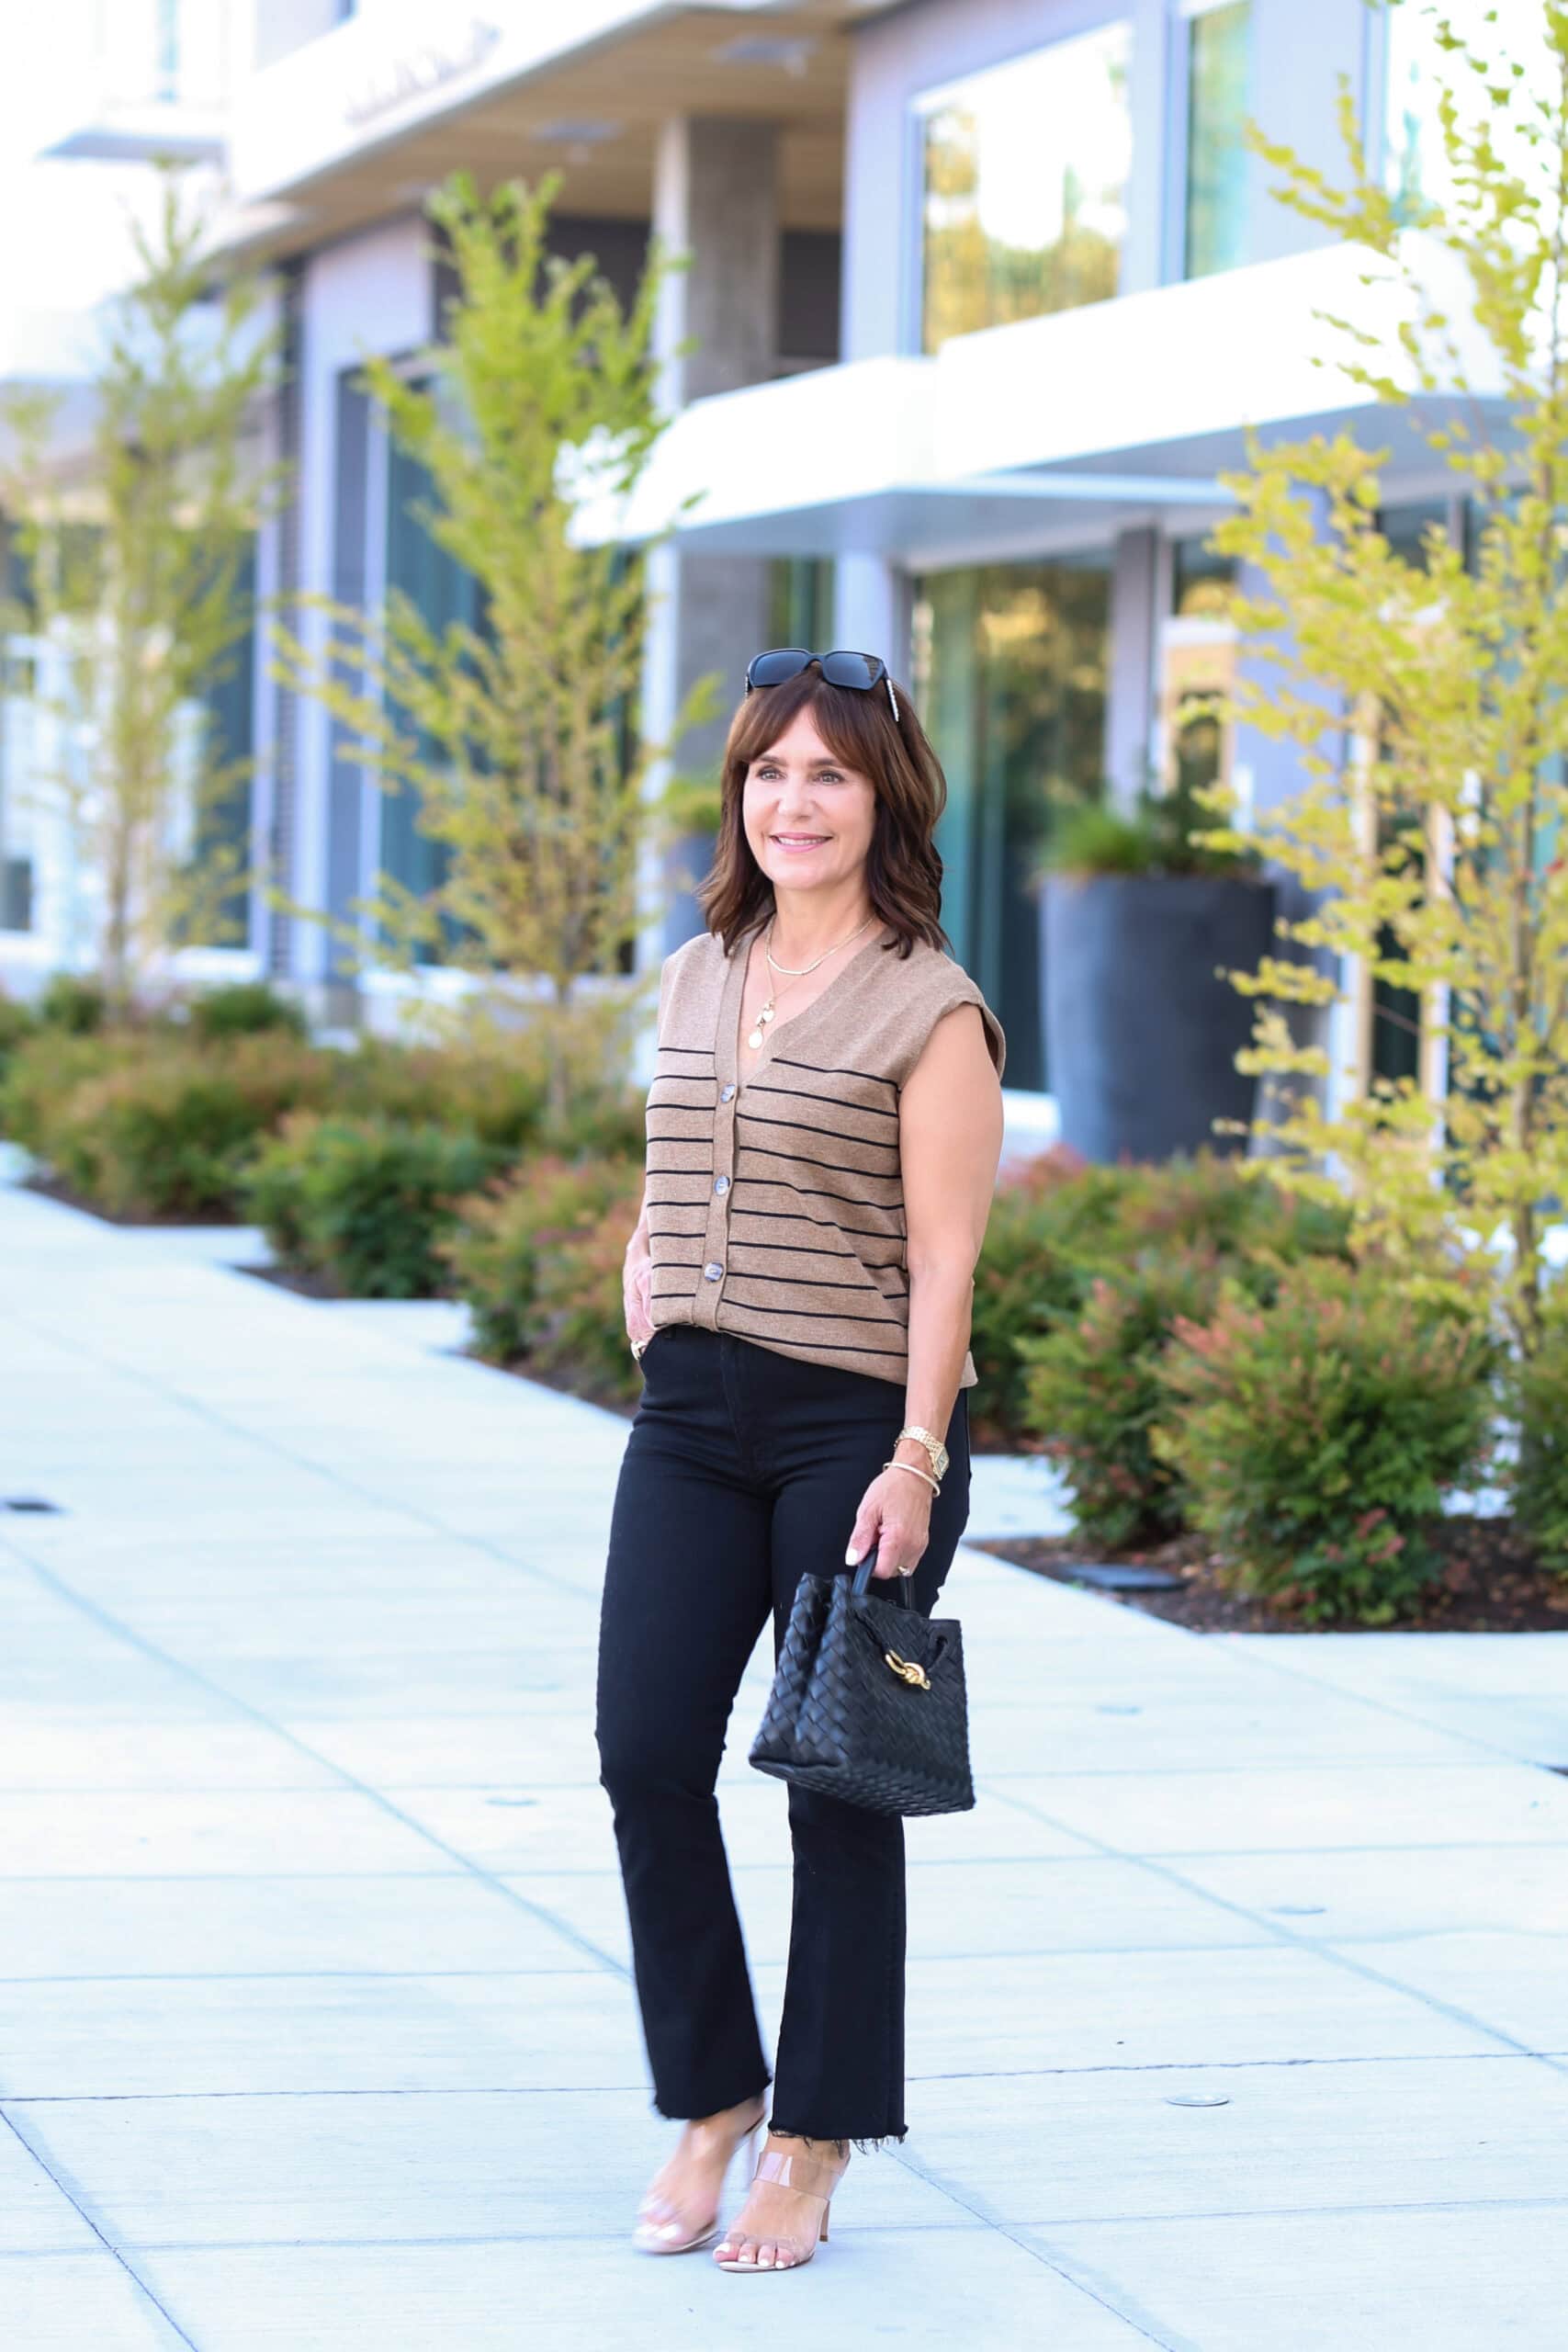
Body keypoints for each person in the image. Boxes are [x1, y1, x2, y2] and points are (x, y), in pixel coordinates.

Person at [596, 647, 1006, 2274]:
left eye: (829, 773)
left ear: (881, 796)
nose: (795, 801)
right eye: (771, 771)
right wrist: (644, 1261)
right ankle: (713, 2093)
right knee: (643, 1754)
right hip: (691, 1420)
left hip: (856, 1428)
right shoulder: (702, 966)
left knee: (837, 1790)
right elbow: (679, 1151)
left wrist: (914, 1458)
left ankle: (815, 2137)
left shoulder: (934, 1006)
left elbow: (949, 1262)